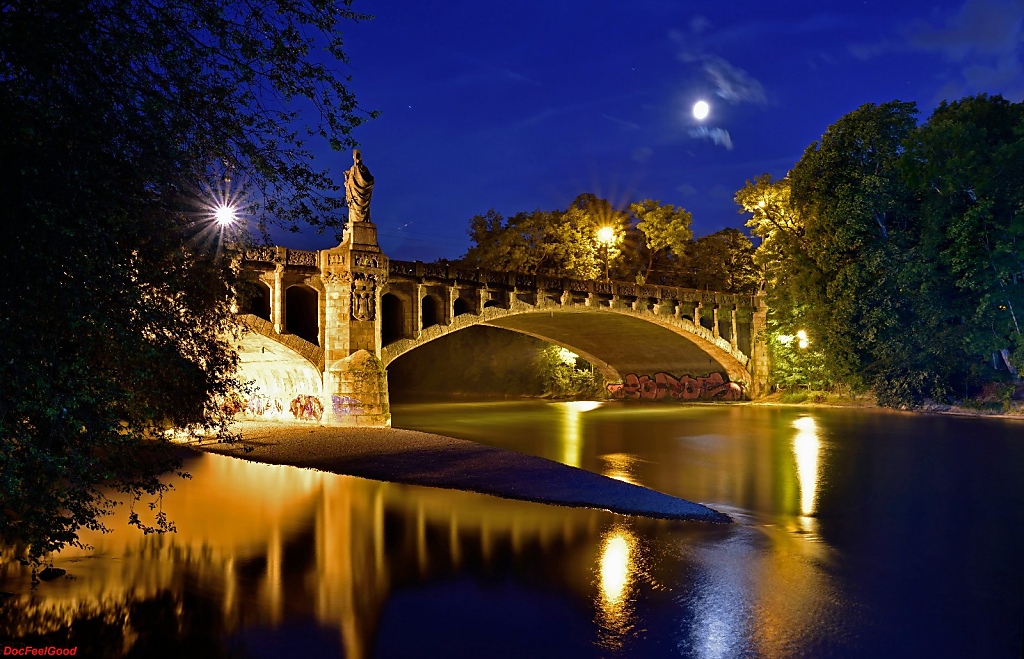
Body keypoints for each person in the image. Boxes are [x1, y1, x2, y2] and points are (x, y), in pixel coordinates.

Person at [344, 149, 374, 222]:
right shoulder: (352, 169)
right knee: (354, 209)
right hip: (353, 195)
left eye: (358, 156)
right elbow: (349, 184)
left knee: (361, 207)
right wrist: (347, 180)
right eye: (355, 156)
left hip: (362, 195)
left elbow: (369, 180)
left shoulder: (363, 169)